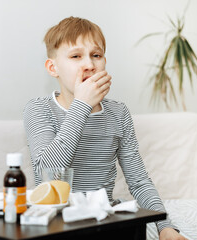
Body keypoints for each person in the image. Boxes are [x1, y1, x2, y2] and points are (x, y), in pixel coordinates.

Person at [23, 16, 187, 240]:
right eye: (76, 56)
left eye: (96, 55)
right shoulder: (39, 109)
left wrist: (165, 227)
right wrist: (81, 105)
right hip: (57, 223)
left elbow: (139, 181)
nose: (89, 65)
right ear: (53, 67)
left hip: (104, 222)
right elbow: (47, 174)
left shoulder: (118, 113)